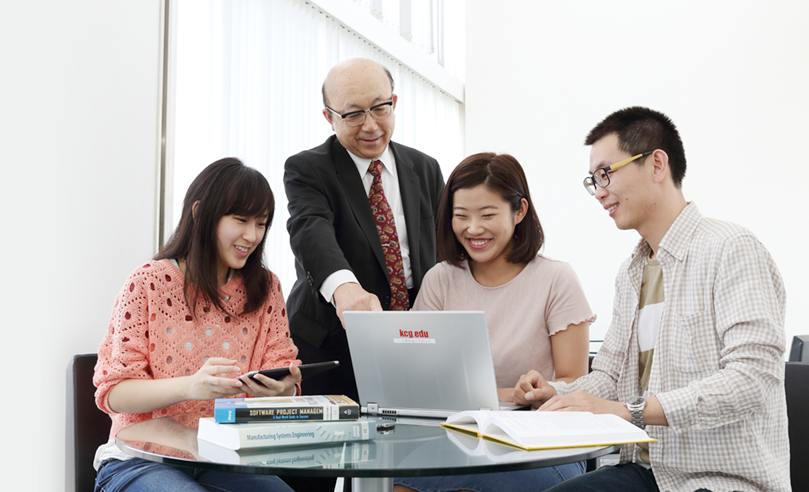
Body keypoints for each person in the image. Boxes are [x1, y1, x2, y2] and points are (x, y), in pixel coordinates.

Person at [515, 107, 790, 492]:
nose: (599, 192)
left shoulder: (732, 249)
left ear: (657, 164)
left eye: (606, 174)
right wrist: (557, 393)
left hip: (724, 481)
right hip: (647, 472)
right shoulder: (631, 272)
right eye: (592, 180)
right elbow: (609, 377)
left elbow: (752, 379)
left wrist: (634, 411)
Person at [93, 158, 301, 492]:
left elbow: (281, 374)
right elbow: (114, 393)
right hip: (140, 460)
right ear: (201, 213)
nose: (252, 235)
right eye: (241, 220)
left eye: (261, 223)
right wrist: (191, 386)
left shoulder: (266, 288)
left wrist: (284, 390)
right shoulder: (148, 283)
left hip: (226, 460)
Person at [393, 152, 594, 492]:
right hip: (457, 436)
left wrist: (537, 393)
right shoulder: (440, 279)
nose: (473, 229)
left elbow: (576, 383)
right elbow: (421, 380)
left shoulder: (556, 278)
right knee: (399, 476)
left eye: (488, 215)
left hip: (540, 439)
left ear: (519, 212)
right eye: (461, 216)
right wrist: (503, 394)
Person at [284, 57, 445, 402]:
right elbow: (311, 231)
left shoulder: (425, 169)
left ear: (394, 103)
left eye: (380, 108)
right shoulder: (308, 169)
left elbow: (444, 251)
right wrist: (347, 291)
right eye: (354, 114)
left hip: (413, 347)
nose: (370, 125)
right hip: (331, 347)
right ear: (328, 117)